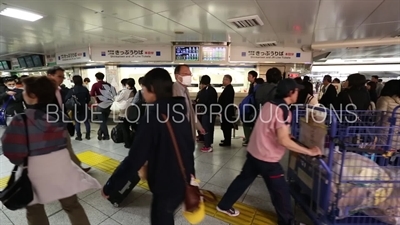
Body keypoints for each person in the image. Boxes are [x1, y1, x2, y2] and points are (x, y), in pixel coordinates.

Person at [216, 79, 322, 225]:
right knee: (281, 192)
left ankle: (224, 205)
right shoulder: (283, 110)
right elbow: (283, 141)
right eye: (296, 90)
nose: (298, 93)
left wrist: (284, 134)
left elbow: (268, 128)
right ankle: (288, 222)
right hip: (267, 159)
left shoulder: (269, 104)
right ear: (290, 92)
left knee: (242, 180)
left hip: (254, 152)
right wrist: (309, 151)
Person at [2, 76, 100, 225]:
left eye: (25, 91)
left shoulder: (21, 120)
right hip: (62, 167)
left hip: (34, 171)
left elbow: (11, 149)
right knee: (72, 205)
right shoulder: (59, 116)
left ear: (33, 96)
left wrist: (21, 162)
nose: (22, 93)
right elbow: (66, 142)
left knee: (34, 209)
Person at [102, 68, 195, 225]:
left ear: (152, 89)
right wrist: (191, 176)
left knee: (161, 218)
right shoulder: (179, 110)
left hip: (165, 184)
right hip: (183, 179)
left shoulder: (153, 116)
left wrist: (111, 186)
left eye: (144, 89)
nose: (143, 93)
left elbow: (135, 158)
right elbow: (188, 146)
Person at [47, 66, 91, 172]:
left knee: (67, 146)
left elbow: (63, 106)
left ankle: (77, 167)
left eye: (63, 76)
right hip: (49, 125)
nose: (61, 79)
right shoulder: (43, 91)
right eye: (59, 76)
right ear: (50, 76)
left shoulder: (63, 90)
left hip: (62, 123)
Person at [172, 65, 205, 142]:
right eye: (185, 74)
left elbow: (191, 112)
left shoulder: (185, 90)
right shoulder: (173, 90)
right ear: (177, 76)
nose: (188, 76)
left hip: (186, 132)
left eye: (189, 74)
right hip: (179, 135)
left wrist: (199, 127)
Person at [65, 75, 91, 141]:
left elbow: (66, 98)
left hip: (76, 108)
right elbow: (88, 98)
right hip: (84, 106)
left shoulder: (72, 90)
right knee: (86, 121)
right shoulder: (85, 89)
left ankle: (79, 136)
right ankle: (88, 135)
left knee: (77, 122)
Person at [376, 80, 400, 148]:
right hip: (398, 135)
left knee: (382, 154)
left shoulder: (384, 99)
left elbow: (379, 116)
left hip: (385, 133)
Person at [90, 72, 114, 140]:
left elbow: (92, 94)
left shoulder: (95, 85)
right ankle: (100, 132)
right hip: (109, 105)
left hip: (101, 105)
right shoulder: (108, 85)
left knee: (102, 121)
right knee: (104, 120)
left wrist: (96, 100)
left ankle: (106, 136)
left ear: (96, 78)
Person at [197, 75, 218, 153]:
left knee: (205, 128)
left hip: (206, 112)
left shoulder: (205, 91)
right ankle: (209, 143)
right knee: (210, 127)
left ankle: (207, 145)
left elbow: (201, 101)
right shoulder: (212, 89)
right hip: (212, 112)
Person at [114, 78, 136, 148]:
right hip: (133, 113)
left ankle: (127, 143)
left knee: (125, 129)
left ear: (127, 85)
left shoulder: (124, 92)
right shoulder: (135, 91)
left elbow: (117, 99)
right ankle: (134, 141)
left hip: (124, 113)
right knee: (134, 127)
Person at [218, 75, 235, 147]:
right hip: (226, 110)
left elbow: (226, 101)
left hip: (226, 111)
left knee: (226, 126)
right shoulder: (228, 89)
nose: (223, 81)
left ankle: (227, 141)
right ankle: (226, 139)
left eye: (224, 79)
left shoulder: (229, 89)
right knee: (225, 125)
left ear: (228, 80)